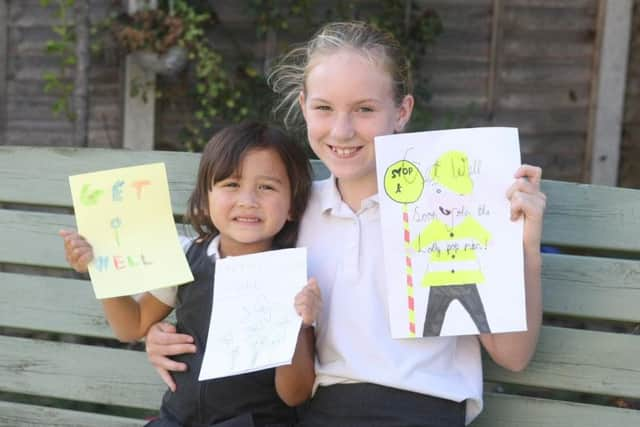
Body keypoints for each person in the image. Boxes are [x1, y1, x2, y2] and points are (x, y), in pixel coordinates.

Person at [144, 21, 546, 426]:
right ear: (303, 107)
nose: (342, 130)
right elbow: (218, 282)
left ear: (401, 111)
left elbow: (512, 355)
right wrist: (161, 336)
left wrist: (525, 246)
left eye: (365, 109)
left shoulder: (444, 208)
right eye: (324, 108)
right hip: (321, 411)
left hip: (424, 407)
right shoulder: (289, 212)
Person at [60, 121, 321, 427]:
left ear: (292, 205)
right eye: (231, 184)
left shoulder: (293, 277)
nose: (247, 200)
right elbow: (132, 326)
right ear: (206, 199)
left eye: (266, 187)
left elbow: (295, 394)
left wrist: (299, 327)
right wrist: (100, 267)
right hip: (176, 419)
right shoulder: (186, 257)